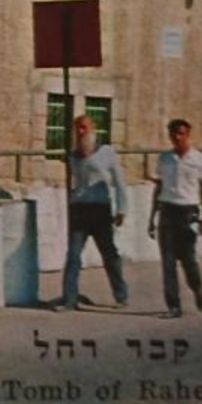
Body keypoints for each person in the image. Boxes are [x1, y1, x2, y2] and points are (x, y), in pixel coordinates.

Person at [58, 114, 129, 310]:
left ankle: (121, 294)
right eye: (78, 128)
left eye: (84, 128)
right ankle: (69, 299)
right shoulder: (73, 155)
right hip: (80, 210)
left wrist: (122, 208)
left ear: (93, 129)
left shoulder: (107, 152)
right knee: (73, 255)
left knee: (109, 254)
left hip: (100, 209)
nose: (81, 132)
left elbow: (120, 182)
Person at [148, 117, 202, 318]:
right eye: (174, 134)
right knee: (167, 263)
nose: (178, 138)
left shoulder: (199, 159)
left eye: (181, 134)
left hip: (188, 212)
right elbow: (158, 188)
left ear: (188, 135)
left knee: (188, 259)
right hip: (167, 211)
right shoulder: (165, 159)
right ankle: (174, 306)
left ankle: (197, 287)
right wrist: (151, 218)